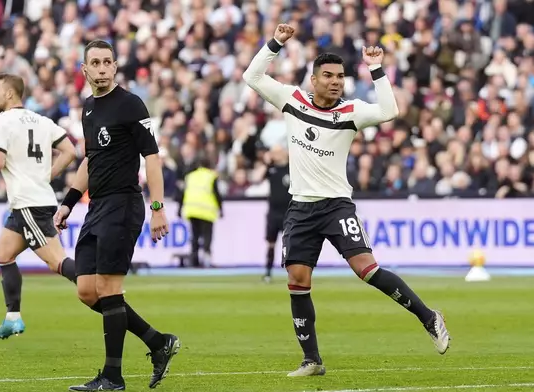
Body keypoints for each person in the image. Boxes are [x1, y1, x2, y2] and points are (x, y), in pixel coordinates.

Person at [243, 24, 450, 377]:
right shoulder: (292, 101)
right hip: (301, 207)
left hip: (337, 205)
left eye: (340, 75)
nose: (336, 81)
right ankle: (312, 361)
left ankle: (429, 317)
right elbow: (253, 75)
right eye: (328, 75)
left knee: (366, 269)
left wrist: (376, 69)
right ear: (313, 79)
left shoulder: (351, 111)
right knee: (297, 278)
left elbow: (389, 111)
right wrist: (276, 43)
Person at [54, 39, 180, 392]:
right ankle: (157, 342)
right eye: (94, 63)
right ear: (85, 70)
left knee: (109, 288)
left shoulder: (130, 104)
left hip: (124, 205)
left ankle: (113, 377)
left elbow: (152, 158)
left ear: (114, 66)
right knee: (86, 290)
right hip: (97, 207)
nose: (102, 68)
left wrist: (157, 208)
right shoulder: (89, 109)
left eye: (107, 62)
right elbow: (90, 161)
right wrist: (68, 201)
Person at [0, 73, 77, 340]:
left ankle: (98, 284)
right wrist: (47, 175)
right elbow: (70, 151)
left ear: (10, 94)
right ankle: (12, 318)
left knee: (57, 262)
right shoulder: (42, 120)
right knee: (4, 253)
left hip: (29, 203)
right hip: (29, 202)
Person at [178, 157, 223, 268]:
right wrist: (221, 209)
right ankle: (207, 260)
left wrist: (180, 209)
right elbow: (217, 194)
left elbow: (182, 194)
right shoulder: (211, 176)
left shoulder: (190, 176)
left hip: (192, 210)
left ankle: (194, 260)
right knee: (207, 236)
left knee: (195, 236)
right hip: (206, 211)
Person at [262, 144, 291, 282]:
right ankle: (268, 272)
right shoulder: (271, 169)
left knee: (291, 243)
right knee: (271, 243)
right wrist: (266, 163)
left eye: (278, 152)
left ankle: (293, 272)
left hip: (289, 212)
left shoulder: (292, 169)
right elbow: (257, 178)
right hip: (273, 212)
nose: (276, 155)